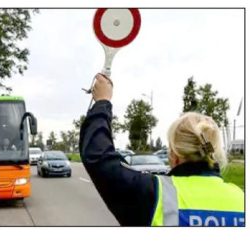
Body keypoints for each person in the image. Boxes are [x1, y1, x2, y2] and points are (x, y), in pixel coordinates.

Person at [79, 73, 244, 226]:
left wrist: (102, 102)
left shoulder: (155, 194)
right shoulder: (241, 199)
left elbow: (99, 157)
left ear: (175, 155)